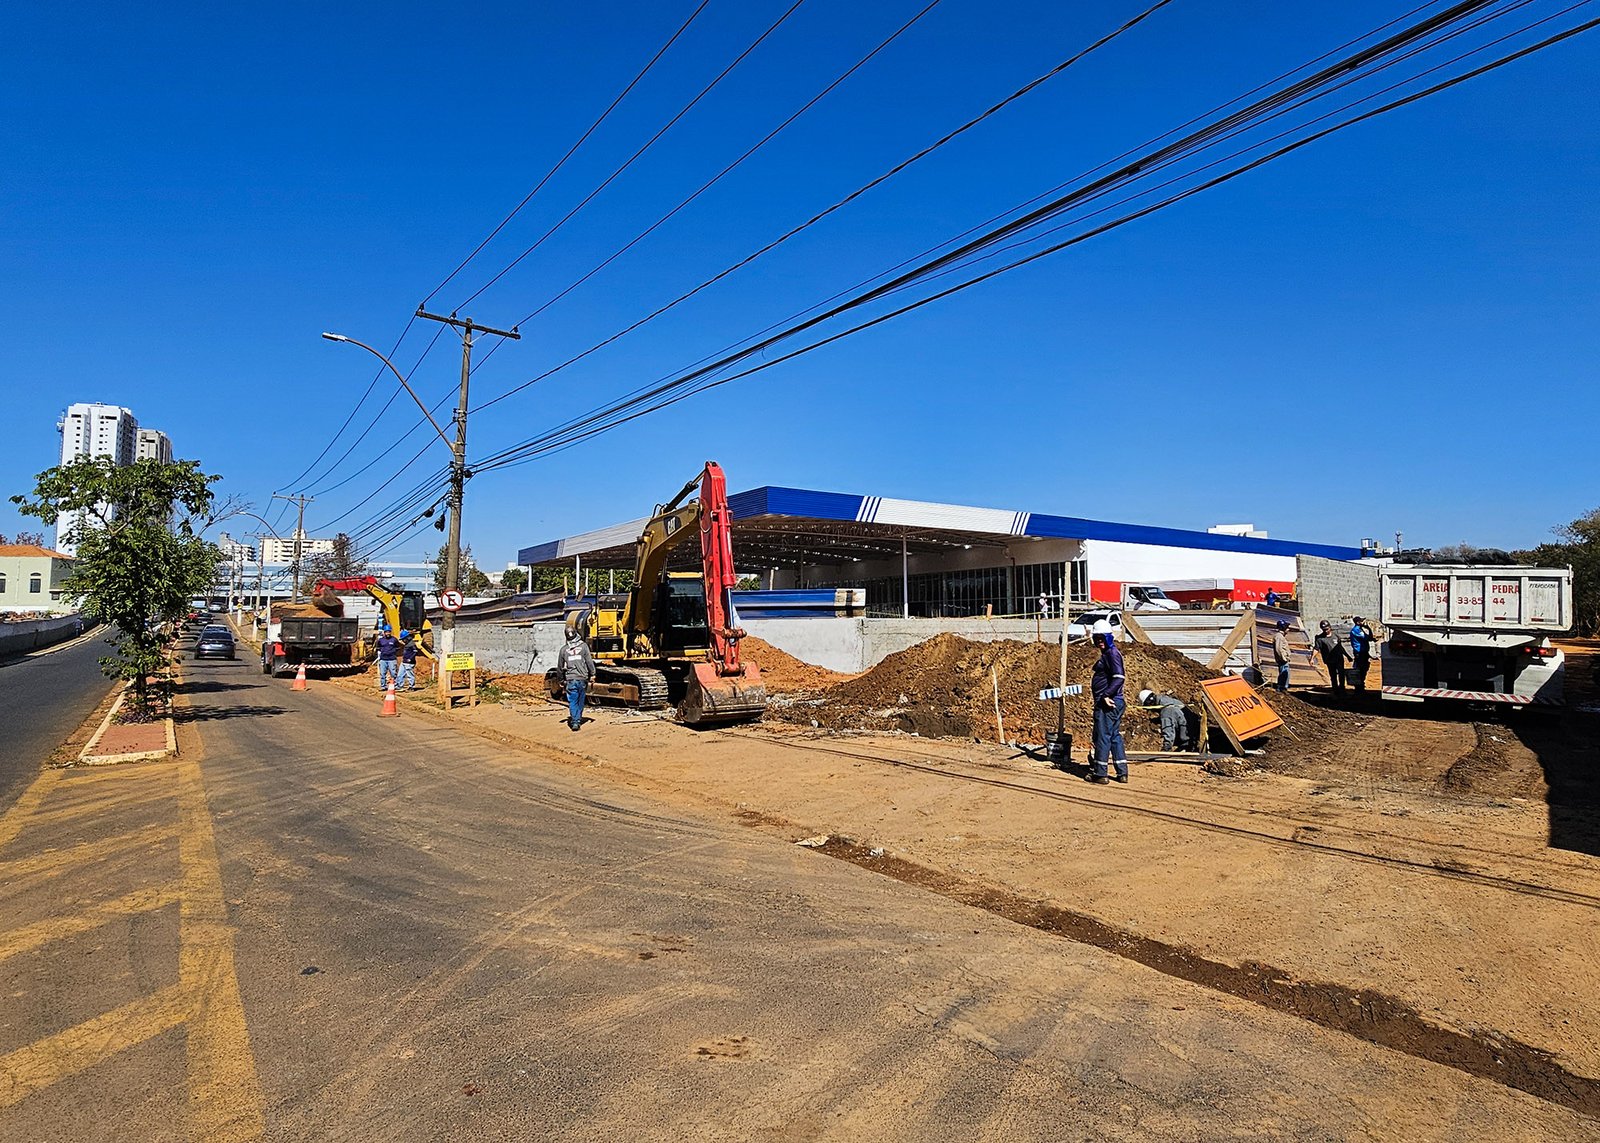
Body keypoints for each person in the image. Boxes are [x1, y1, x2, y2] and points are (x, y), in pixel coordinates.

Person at [1087, 619, 1129, 784]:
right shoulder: (1109, 654)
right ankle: (1122, 773)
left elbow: (1119, 678)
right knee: (1113, 736)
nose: (1100, 642)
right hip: (1114, 701)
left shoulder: (1112, 654)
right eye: (1097, 638)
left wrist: (1106, 695)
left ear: (1108, 638)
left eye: (1102, 638)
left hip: (1108, 703)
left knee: (1103, 736)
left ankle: (1100, 773)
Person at [556, 625, 596, 731]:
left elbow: (560, 667)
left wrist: (560, 680)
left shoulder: (564, 650)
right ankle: (577, 719)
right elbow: (589, 661)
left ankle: (575, 721)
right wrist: (593, 674)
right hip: (582, 678)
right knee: (580, 700)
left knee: (573, 701)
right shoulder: (583, 646)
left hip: (570, 680)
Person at [1314, 620, 1350, 693]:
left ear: (1330, 627)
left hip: (1339, 659)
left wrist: (1347, 655)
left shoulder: (1336, 636)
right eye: (1324, 630)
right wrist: (1312, 658)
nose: (1325, 631)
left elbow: (1340, 647)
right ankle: (1335, 690)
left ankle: (1342, 689)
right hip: (1330, 660)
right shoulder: (1320, 639)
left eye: (1327, 629)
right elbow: (1316, 649)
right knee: (1333, 676)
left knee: (1341, 674)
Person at [1349, 616, 1375, 692]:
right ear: (1358, 622)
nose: (1363, 623)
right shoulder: (1356, 630)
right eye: (1361, 621)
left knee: (1364, 668)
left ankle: (1360, 685)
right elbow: (1368, 638)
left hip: (1363, 653)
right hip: (1360, 653)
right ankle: (1359, 687)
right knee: (1361, 670)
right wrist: (1369, 629)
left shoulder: (1359, 629)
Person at [374, 624, 401, 691]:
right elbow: (378, 647)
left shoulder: (394, 639)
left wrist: (393, 651)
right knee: (383, 674)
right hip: (383, 659)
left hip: (392, 659)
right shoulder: (381, 640)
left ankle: (395, 685)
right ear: (384, 632)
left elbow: (398, 647)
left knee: (393, 673)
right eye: (386, 632)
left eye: (389, 631)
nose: (387, 633)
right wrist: (383, 651)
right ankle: (383, 686)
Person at [1272, 619, 1291, 693]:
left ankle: (1283, 688)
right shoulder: (1279, 637)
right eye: (1287, 628)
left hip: (1283, 659)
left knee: (1285, 673)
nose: (1288, 629)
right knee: (1284, 674)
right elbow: (1278, 649)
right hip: (1282, 660)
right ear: (1283, 628)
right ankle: (1282, 688)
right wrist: (1284, 658)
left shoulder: (1280, 636)